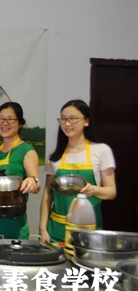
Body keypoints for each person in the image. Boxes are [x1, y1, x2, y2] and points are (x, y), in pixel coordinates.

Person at [39, 99, 116, 244]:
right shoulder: (54, 156)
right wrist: (43, 229)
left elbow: (111, 192)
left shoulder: (101, 150)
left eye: (73, 119)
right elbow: (47, 197)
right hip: (56, 229)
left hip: (88, 229)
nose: (67, 124)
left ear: (86, 121)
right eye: (63, 119)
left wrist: (93, 189)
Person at [0, 102, 40, 239]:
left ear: (20, 123)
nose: (5, 123)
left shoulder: (26, 150)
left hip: (14, 221)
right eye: (1, 119)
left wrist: (32, 181)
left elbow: (37, 185)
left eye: (10, 119)